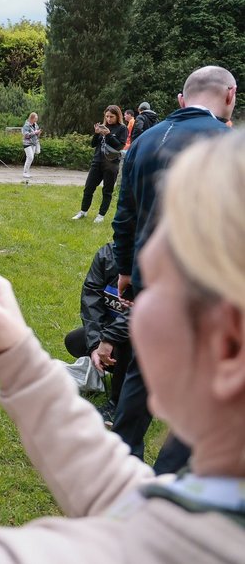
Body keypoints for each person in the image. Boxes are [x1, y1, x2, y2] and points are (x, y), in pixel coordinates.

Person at [0, 134, 245, 563]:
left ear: (227, 346)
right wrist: (17, 358)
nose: (129, 303)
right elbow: (124, 496)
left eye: (149, 285)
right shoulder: (206, 513)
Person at [111, 65, 236, 473]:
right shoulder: (226, 145)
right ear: (230, 96)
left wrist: (126, 270)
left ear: (182, 100)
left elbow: (124, 215)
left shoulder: (144, 139)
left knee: (142, 371)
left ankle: (123, 458)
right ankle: (168, 476)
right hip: (206, 285)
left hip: (150, 278)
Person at [63, 241, 132, 427]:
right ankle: (107, 368)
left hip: (146, 343)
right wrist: (96, 345)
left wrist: (110, 339)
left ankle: (117, 404)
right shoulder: (106, 255)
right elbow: (91, 297)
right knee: (74, 341)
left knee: (127, 347)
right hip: (112, 333)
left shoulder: (150, 260)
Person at [71, 105, 128, 224]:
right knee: (88, 188)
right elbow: (93, 144)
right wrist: (97, 133)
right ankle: (83, 211)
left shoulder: (122, 128)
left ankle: (101, 215)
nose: (108, 119)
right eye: (106, 116)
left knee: (107, 191)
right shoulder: (104, 126)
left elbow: (119, 146)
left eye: (111, 116)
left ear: (118, 116)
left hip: (111, 164)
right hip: (97, 161)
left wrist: (108, 135)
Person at [21, 112, 41, 178]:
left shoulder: (35, 125)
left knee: (30, 158)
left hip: (34, 143)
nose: (36, 120)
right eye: (36, 118)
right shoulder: (26, 125)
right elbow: (26, 135)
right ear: (32, 118)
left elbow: (37, 133)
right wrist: (35, 132)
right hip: (27, 143)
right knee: (30, 157)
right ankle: (25, 172)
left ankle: (27, 172)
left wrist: (38, 133)